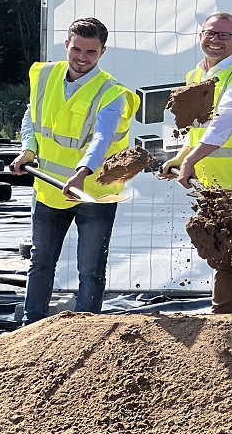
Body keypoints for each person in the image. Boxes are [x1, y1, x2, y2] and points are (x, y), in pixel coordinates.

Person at [12, 17, 140, 324]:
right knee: (41, 261)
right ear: (67, 44)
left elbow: (103, 136)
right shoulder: (45, 75)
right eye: (77, 49)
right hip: (49, 189)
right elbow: (32, 115)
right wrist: (28, 148)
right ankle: (31, 327)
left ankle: (86, 331)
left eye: (91, 52)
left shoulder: (111, 92)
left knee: (91, 269)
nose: (82, 58)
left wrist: (82, 172)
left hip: (93, 192)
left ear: (102, 52)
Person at [164, 13, 232, 314]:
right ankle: (221, 323)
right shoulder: (196, 77)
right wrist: (179, 158)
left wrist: (189, 162)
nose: (215, 40)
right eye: (210, 33)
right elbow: (197, 130)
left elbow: (223, 125)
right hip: (213, 185)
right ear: (200, 36)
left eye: (224, 35)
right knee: (221, 257)